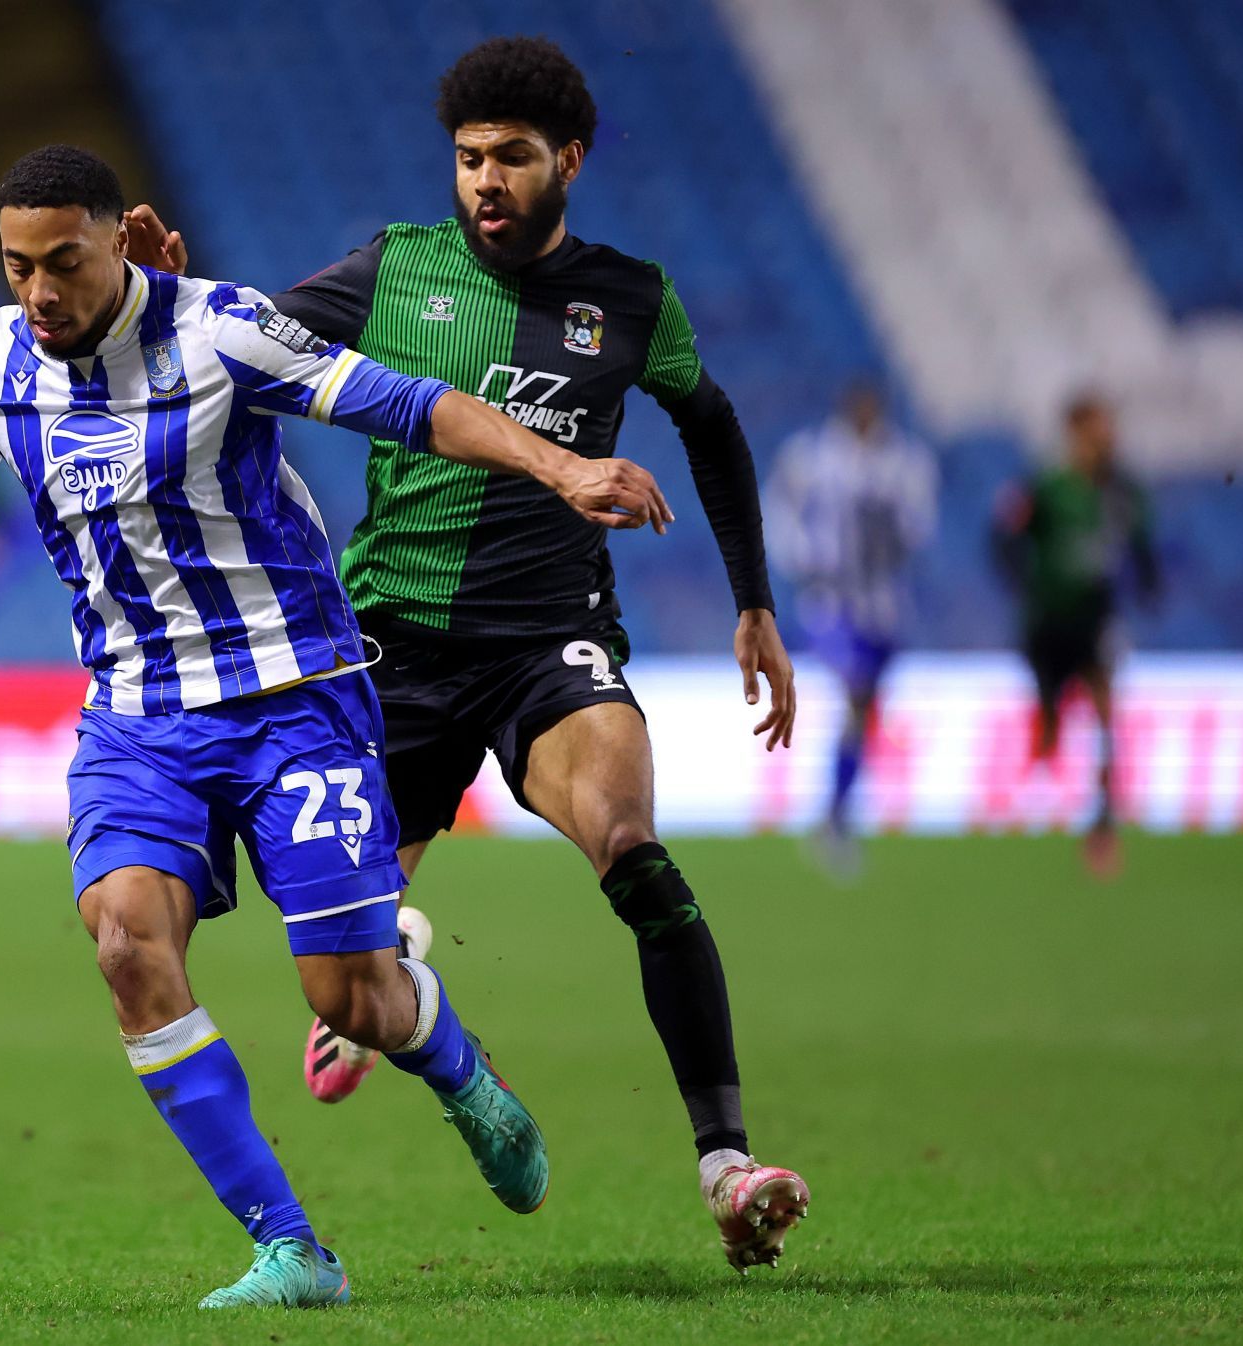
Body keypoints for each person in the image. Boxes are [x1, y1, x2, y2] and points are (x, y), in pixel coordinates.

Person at [0, 145, 675, 1309]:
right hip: (137, 720)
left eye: (63, 262)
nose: (39, 292)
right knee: (125, 944)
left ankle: (454, 1063)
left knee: (348, 997)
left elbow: (411, 406)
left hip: (294, 696)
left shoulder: (223, 332)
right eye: (16, 267)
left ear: (117, 239)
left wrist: (560, 466)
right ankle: (293, 1249)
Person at [126, 36, 809, 1273]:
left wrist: (753, 599)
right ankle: (416, 1004)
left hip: (553, 643)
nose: (484, 179)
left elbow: (711, 425)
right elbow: (249, 343)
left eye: (511, 158)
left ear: (570, 162)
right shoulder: (398, 270)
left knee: (634, 851)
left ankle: (726, 1163)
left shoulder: (633, 300)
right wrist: (182, 290)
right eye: (468, 157)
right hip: (390, 644)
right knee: (339, 980)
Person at [766, 380, 937, 870]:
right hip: (831, 601)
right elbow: (777, 508)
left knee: (864, 713)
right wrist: (801, 556)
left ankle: (837, 813)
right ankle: (834, 819)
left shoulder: (905, 461)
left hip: (884, 606)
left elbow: (919, 527)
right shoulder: (811, 456)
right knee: (857, 691)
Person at [995, 390, 1157, 875]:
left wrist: (1149, 581)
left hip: (1096, 621)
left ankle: (1103, 826)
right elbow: (1005, 536)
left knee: (1107, 716)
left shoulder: (1124, 493)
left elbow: (1142, 547)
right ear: (1076, 434)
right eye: (1096, 429)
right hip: (1048, 622)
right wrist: (1024, 583)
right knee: (1049, 720)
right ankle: (1036, 808)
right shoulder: (1047, 487)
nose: (1106, 438)